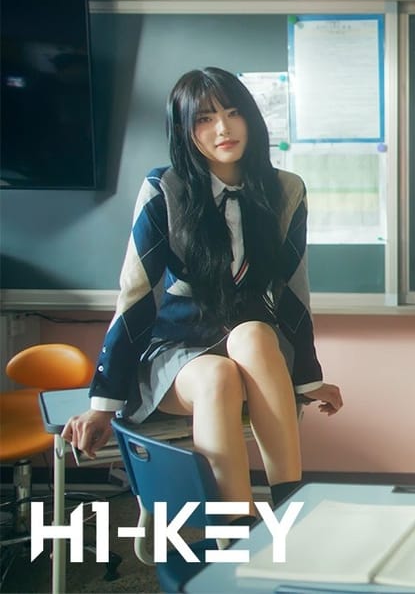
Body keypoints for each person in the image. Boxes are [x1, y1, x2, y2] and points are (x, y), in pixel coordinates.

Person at [63, 67, 344, 517]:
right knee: (217, 376)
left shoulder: (286, 190)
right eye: (205, 118)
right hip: (177, 348)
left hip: (253, 346)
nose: (223, 128)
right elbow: (136, 296)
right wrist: (103, 402)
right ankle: (232, 524)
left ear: (252, 118)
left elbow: (293, 289)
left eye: (233, 113)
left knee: (253, 331)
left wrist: (309, 376)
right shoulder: (164, 189)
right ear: (184, 129)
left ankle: (291, 500)